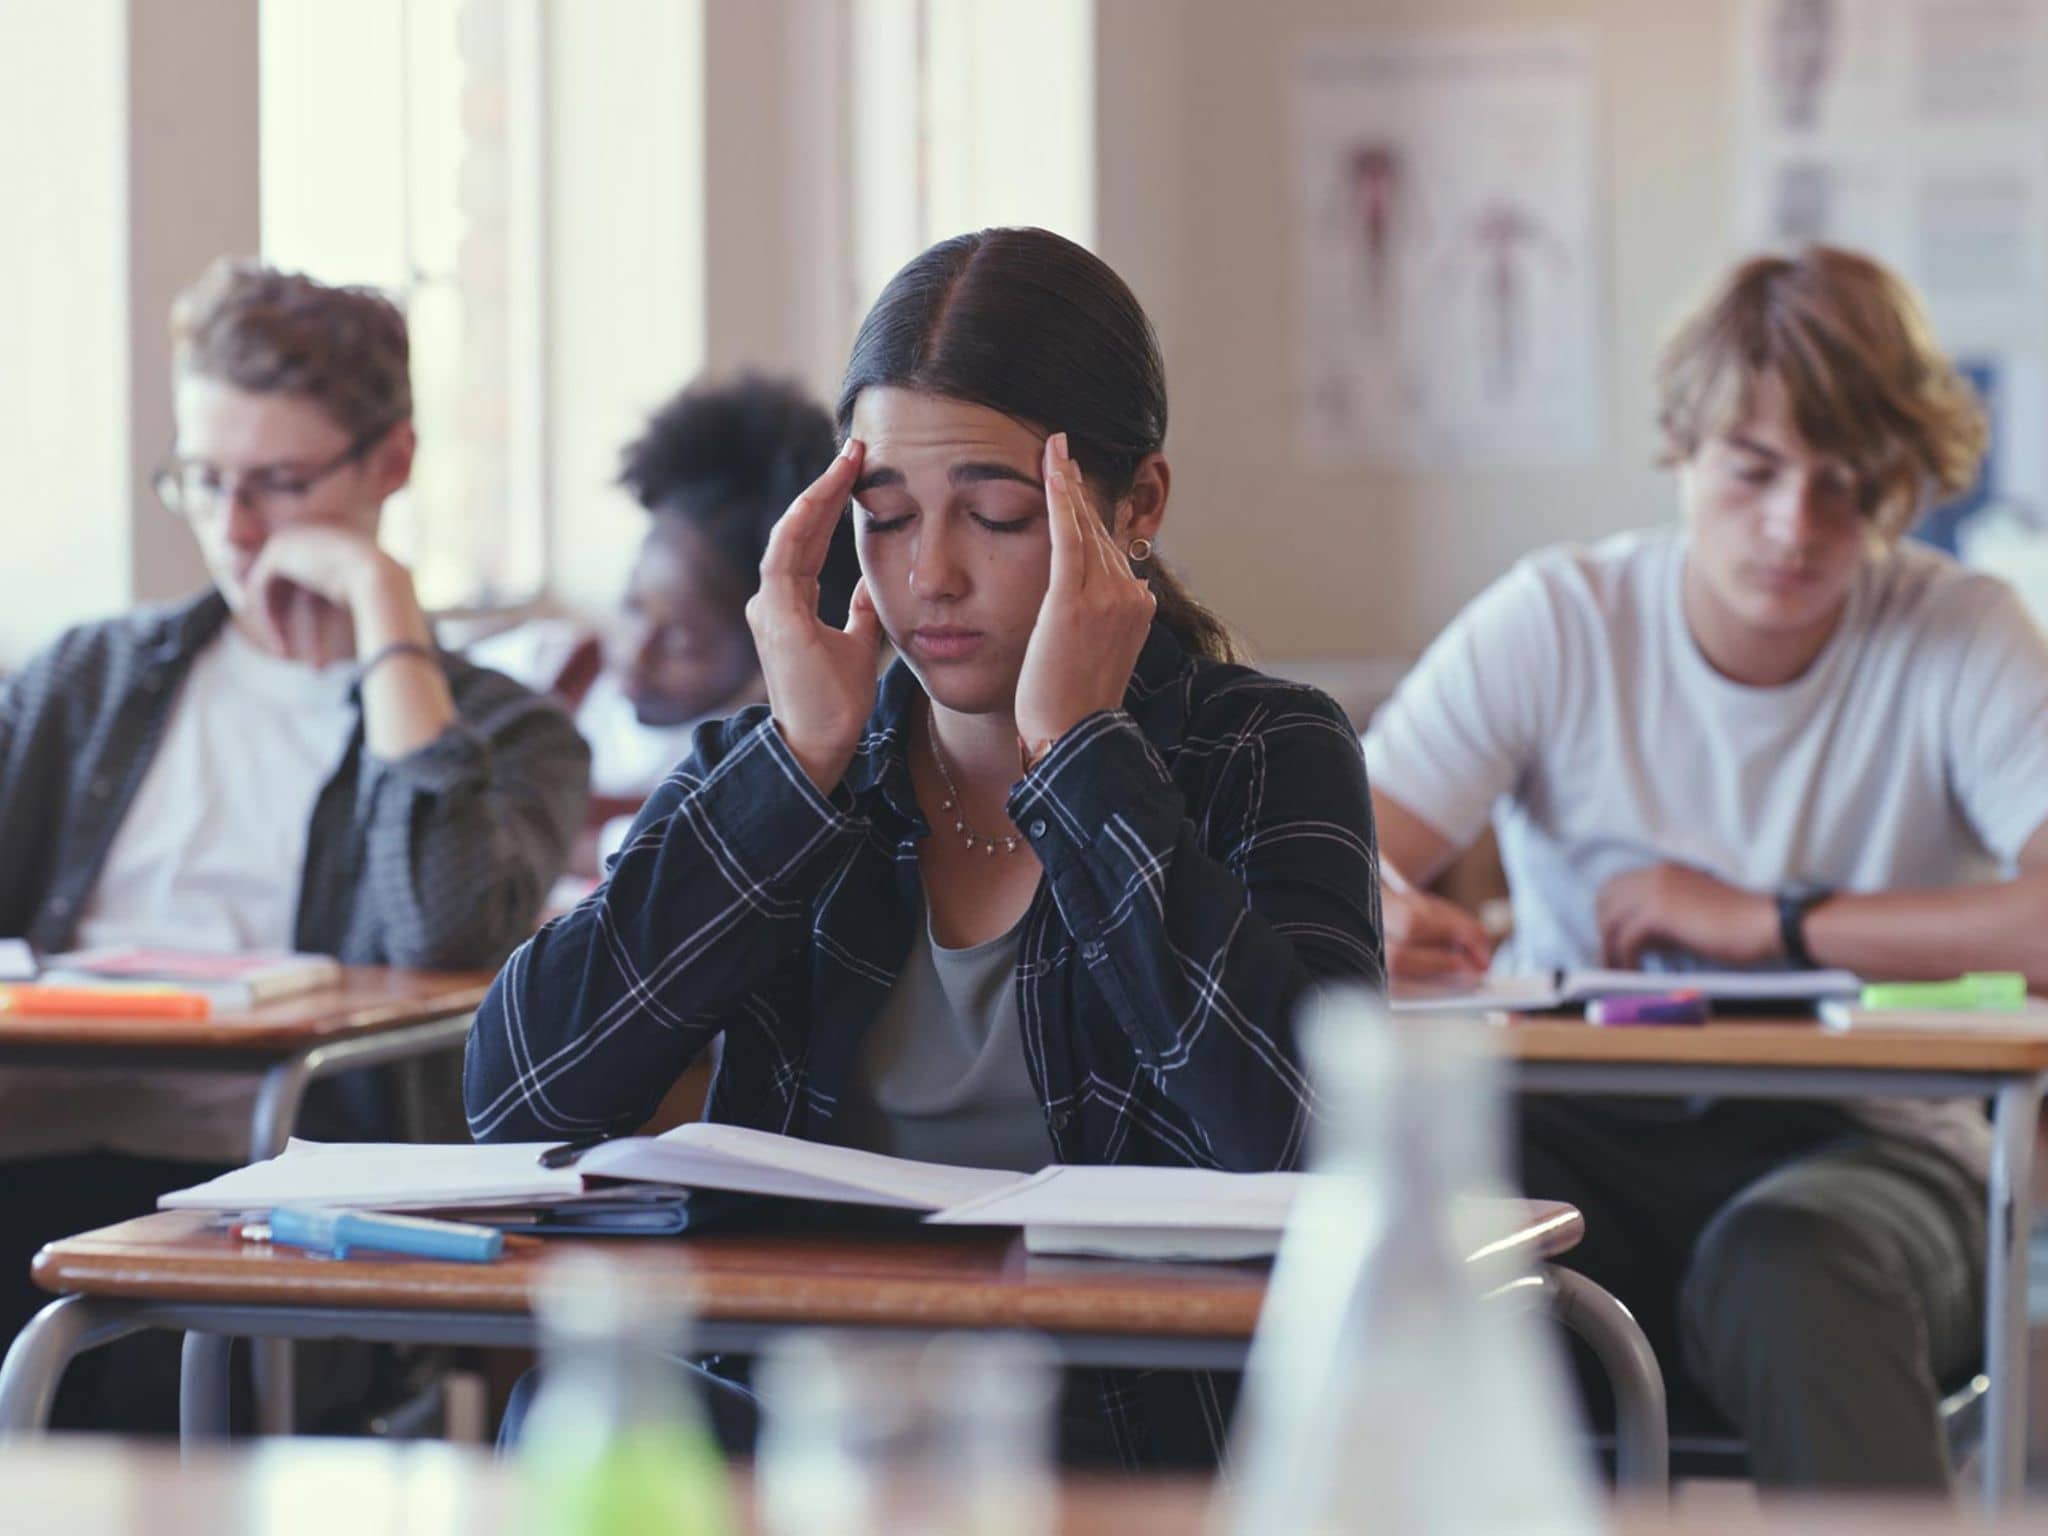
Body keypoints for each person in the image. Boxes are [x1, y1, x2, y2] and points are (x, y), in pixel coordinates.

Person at [467, 226, 1385, 1465]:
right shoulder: (796, 759)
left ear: (1137, 508)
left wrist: (1081, 758)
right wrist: (797, 765)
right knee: (568, 1428)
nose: (931, 575)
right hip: (804, 1419)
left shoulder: (1263, 750)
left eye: (996, 516)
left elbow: (1318, 1144)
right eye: (887, 516)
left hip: (1123, 1437)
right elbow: (519, 1097)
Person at [1364, 245, 2034, 1488]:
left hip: (1871, 1150)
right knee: (1429, 1218)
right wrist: (1380, 908)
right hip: (1583, 1135)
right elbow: (1327, 862)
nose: (1795, 526)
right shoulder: (1559, 620)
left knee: (1791, 1266)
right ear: (1681, 446)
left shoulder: (1958, 631)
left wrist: (1768, 922)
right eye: (1754, 469)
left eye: (1845, 484)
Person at [0, 259, 590, 1419]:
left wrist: (383, 609)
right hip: (32, 1145)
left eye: (277, 484)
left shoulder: (507, 731)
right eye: (203, 479)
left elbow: (448, 930)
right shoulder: (89, 680)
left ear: (390, 462)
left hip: (280, 1187)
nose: (232, 530)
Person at [471, 374, 857, 866]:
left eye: (682, 642)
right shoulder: (547, 664)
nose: (637, 649)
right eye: (633, 606)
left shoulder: (743, 773)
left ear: (762, 662)